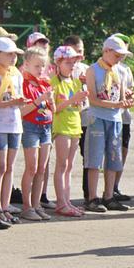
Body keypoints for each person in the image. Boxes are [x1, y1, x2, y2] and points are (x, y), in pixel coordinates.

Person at [83, 36, 134, 213]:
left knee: (114, 158)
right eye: (117, 54)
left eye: (121, 55)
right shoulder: (93, 70)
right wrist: (116, 105)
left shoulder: (120, 71)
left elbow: (120, 97)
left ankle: (109, 195)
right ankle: (92, 198)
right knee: (94, 159)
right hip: (97, 118)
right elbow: (92, 99)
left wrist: (126, 100)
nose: (119, 58)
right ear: (106, 51)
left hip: (115, 119)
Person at [50, 46, 89, 217]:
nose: (72, 65)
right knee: (61, 164)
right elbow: (54, 108)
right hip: (61, 126)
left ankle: (67, 200)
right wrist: (73, 100)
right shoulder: (54, 82)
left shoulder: (75, 81)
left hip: (75, 125)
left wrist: (80, 101)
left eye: (74, 62)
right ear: (58, 62)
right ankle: (61, 202)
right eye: (68, 62)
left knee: (70, 166)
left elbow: (78, 107)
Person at [19, 47, 54, 221]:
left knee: (42, 168)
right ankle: (27, 207)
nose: (40, 69)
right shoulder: (23, 84)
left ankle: (36, 204)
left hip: (46, 128)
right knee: (31, 168)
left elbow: (52, 109)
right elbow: (23, 111)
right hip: (31, 127)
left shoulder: (45, 84)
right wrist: (39, 100)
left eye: (43, 66)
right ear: (26, 65)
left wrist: (51, 102)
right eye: (36, 66)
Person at [0, 37, 28, 227]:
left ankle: (5, 206)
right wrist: (11, 102)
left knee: (10, 167)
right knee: (0, 167)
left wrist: (20, 101)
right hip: (0, 126)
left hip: (15, 125)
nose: (13, 58)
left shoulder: (17, 74)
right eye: (9, 54)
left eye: (15, 54)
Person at [62, 35, 92, 202]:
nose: (78, 57)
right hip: (67, 119)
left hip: (86, 117)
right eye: (75, 52)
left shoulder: (87, 69)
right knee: (65, 162)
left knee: (87, 157)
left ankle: (89, 195)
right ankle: (62, 198)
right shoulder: (62, 70)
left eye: (81, 52)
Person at [109, 34, 134, 201]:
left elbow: (131, 90)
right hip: (110, 115)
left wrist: (129, 95)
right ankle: (107, 189)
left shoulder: (126, 69)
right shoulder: (104, 68)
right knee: (109, 152)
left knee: (122, 151)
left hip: (124, 117)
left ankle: (116, 186)